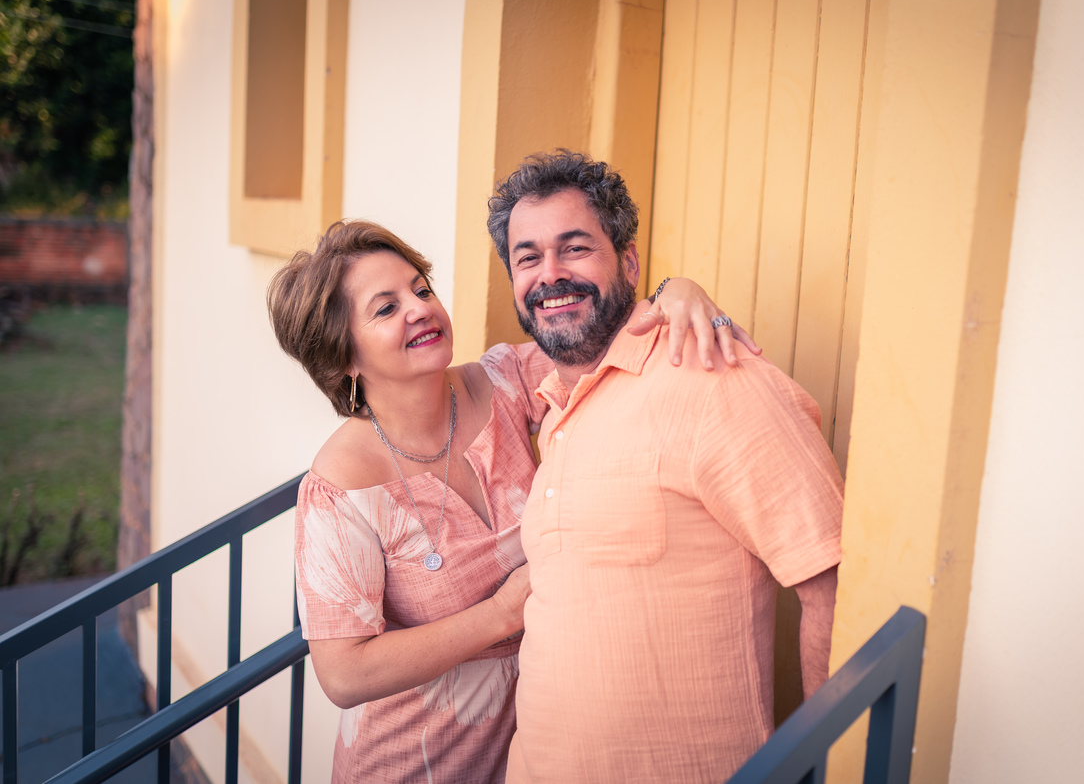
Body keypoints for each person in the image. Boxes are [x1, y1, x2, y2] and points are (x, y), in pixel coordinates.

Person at [266, 219, 752, 783]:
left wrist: (674, 292)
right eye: (387, 308)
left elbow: (614, 343)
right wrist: (500, 614)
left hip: (535, 746)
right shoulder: (339, 489)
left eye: (421, 289)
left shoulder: (508, 381)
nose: (420, 309)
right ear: (344, 357)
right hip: (412, 763)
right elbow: (345, 674)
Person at [486, 151, 845, 784]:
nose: (551, 275)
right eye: (528, 258)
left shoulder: (716, 379)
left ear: (629, 262)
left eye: (575, 248)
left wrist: (833, 763)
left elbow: (832, 583)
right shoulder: (552, 399)